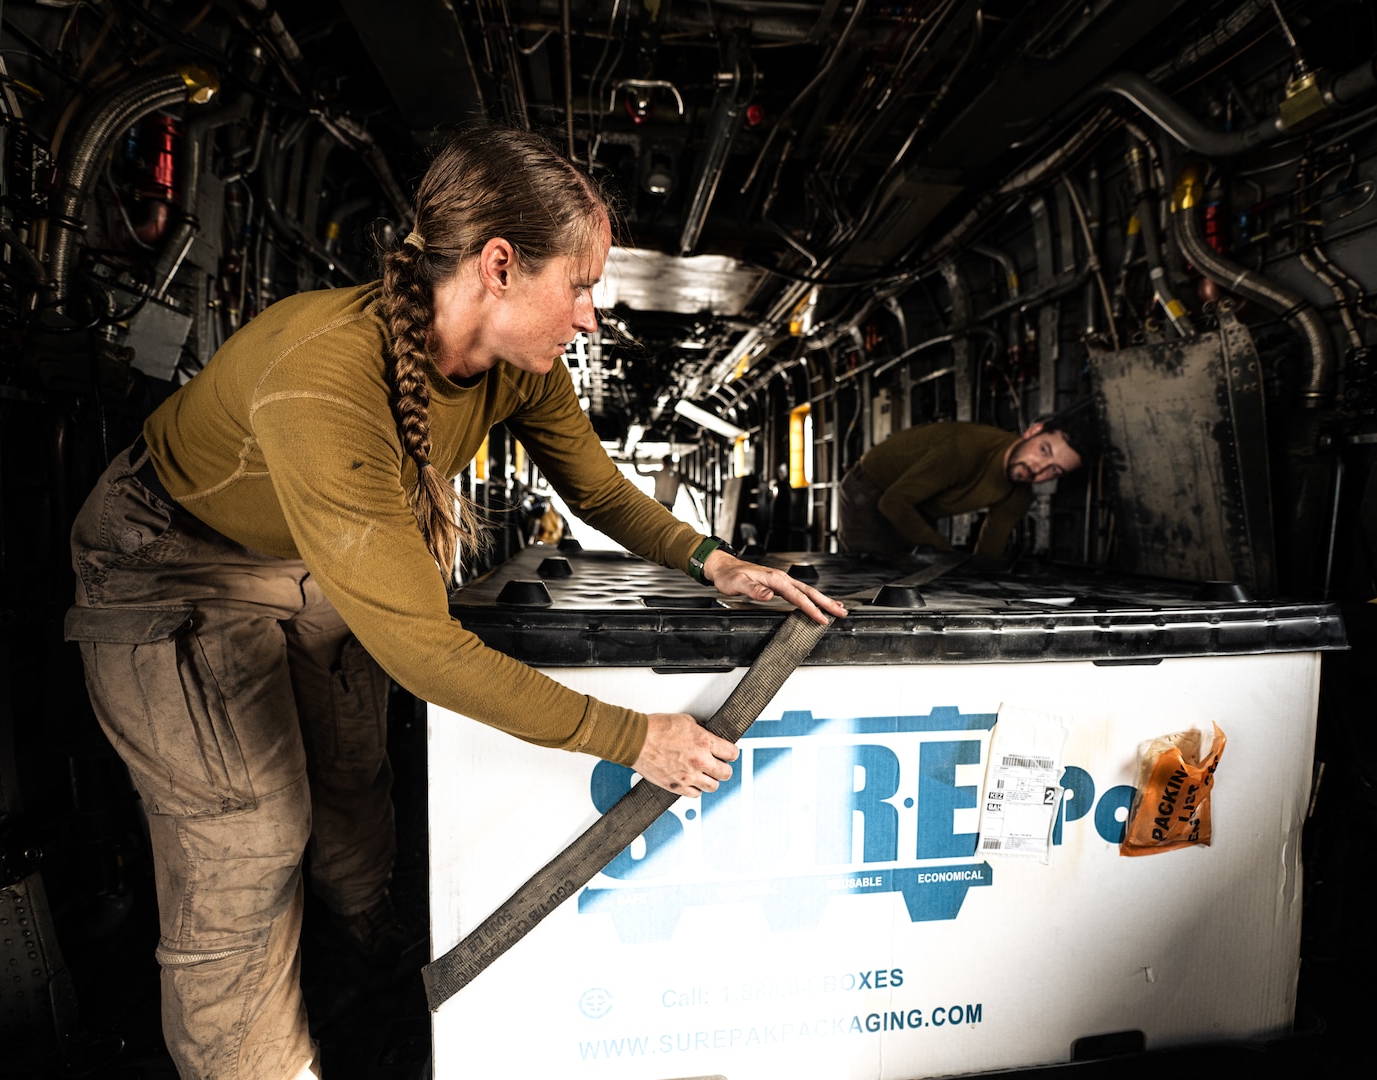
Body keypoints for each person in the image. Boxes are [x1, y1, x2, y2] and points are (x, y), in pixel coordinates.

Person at [65, 126, 846, 1080]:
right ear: (501, 266)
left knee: (352, 780)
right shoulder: (325, 374)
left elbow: (595, 490)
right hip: (170, 559)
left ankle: (370, 959)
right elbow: (427, 655)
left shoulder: (522, 368)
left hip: (299, 557)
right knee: (250, 827)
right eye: (582, 285)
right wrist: (638, 739)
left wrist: (713, 561)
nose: (592, 317)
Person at [837, 414, 1092, 566]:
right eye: (1044, 450)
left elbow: (988, 555)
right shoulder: (965, 450)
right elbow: (892, 503)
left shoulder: (1019, 493)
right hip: (870, 487)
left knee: (912, 571)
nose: (1038, 469)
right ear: (1033, 432)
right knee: (869, 569)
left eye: (1054, 470)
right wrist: (948, 555)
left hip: (915, 504)